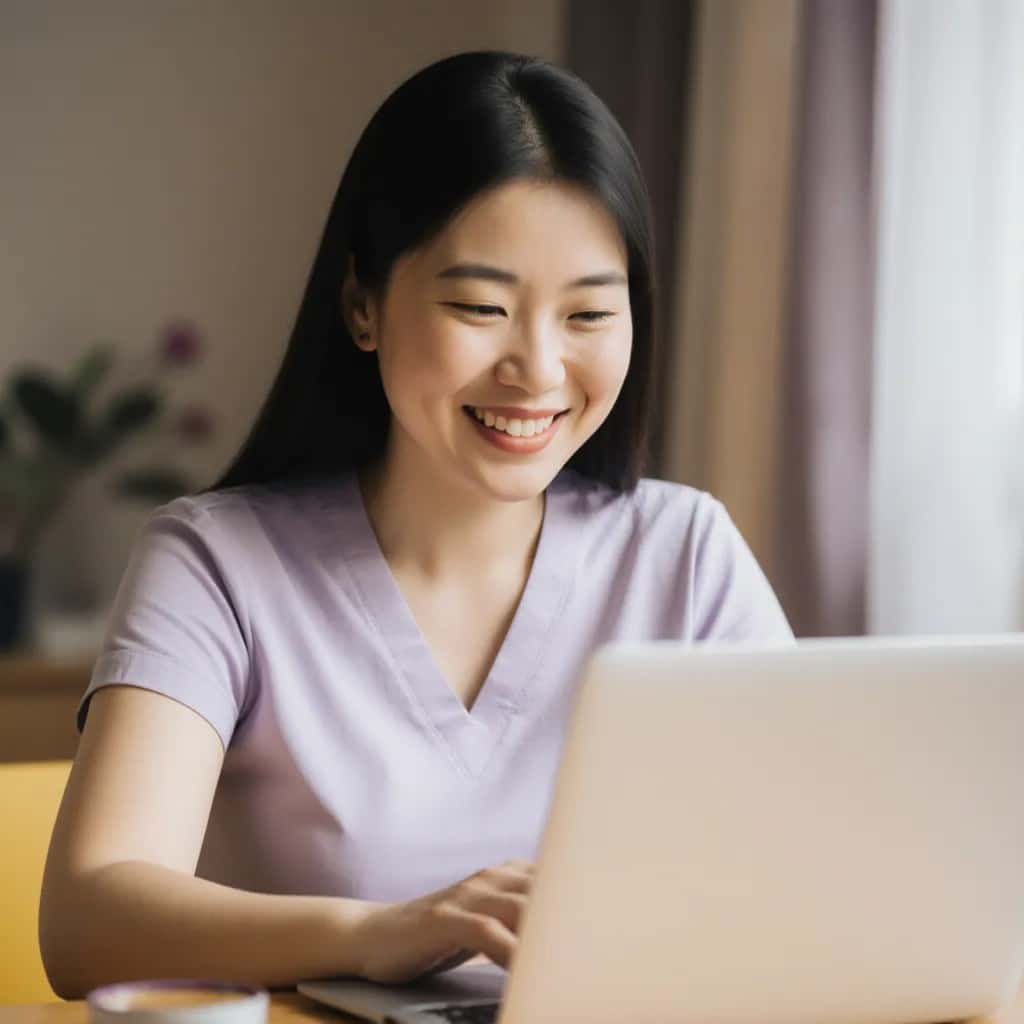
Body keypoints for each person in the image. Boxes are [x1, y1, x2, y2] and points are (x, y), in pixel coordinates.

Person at [39, 49, 793, 1000]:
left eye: (590, 314)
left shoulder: (685, 556)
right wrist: (383, 933)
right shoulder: (216, 563)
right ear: (362, 304)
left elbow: (806, 882)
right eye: (481, 307)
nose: (540, 369)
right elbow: (86, 921)